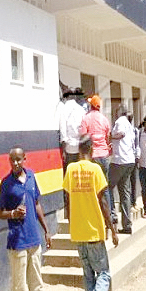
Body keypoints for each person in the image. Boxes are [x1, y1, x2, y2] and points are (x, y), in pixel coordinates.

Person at [63, 135, 119, 291]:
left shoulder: (70, 169)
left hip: (79, 233)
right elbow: (103, 201)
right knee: (103, 275)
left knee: (88, 278)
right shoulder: (96, 169)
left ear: (79, 149)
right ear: (92, 149)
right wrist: (112, 228)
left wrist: (72, 223)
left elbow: (68, 200)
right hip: (94, 232)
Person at [0, 146, 52, 291]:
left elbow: (36, 204)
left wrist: (46, 230)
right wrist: (13, 213)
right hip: (17, 244)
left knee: (37, 287)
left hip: (34, 241)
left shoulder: (31, 177)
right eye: (12, 160)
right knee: (19, 290)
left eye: (18, 159)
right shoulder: (6, 183)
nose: (15, 163)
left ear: (24, 159)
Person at [79, 94, 112, 211]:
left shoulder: (86, 118)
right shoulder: (104, 119)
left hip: (93, 157)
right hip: (104, 155)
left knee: (93, 188)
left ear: (91, 105)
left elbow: (83, 137)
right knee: (105, 187)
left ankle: (97, 212)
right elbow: (108, 137)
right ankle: (110, 215)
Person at [109, 106, 136, 234]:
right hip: (129, 160)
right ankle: (127, 225)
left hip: (120, 160)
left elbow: (120, 134)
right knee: (125, 192)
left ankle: (112, 217)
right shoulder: (129, 124)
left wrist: (109, 136)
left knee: (107, 187)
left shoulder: (120, 121)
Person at [59, 87, 86, 217]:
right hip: (80, 147)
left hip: (69, 147)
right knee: (79, 177)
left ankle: (69, 209)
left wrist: (63, 149)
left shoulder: (63, 108)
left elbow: (63, 129)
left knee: (69, 177)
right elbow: (83, 129)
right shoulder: (81, 109)